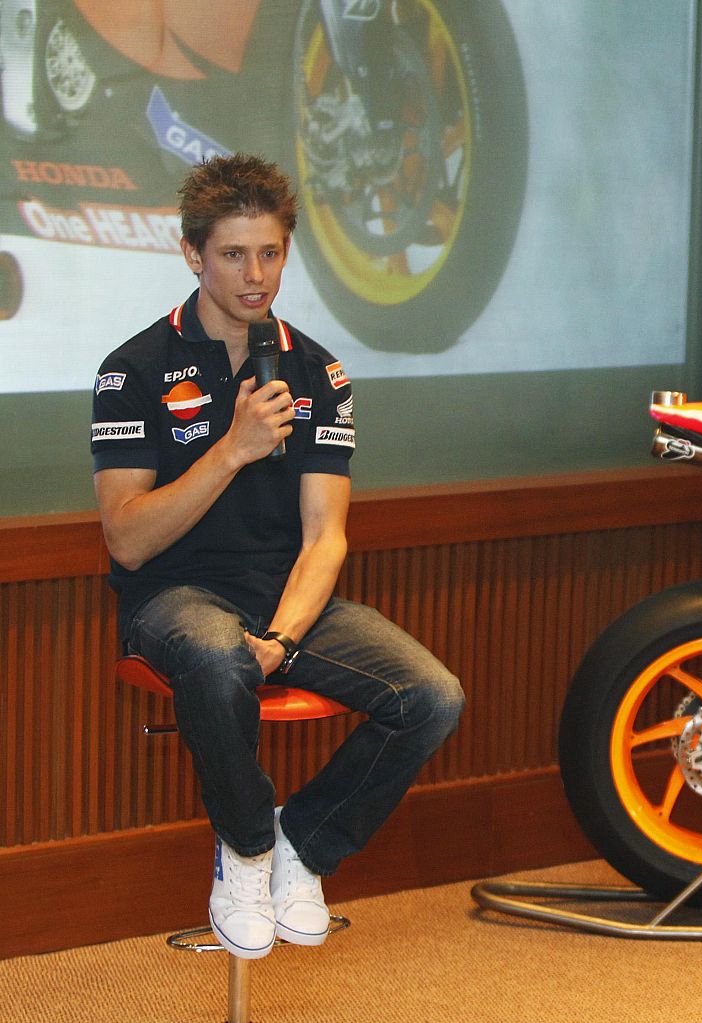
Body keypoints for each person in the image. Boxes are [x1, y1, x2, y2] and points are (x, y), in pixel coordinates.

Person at [90, 154, 465, 959]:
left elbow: (326, 533)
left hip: (288, 597)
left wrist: (288, 637)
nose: (256, 275)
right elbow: (125, 536)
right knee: (217, 656)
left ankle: (304, 843)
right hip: (176, 595)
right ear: (193, 254)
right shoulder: (133, 369)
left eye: (271, 253)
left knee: (432, 695)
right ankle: (248, 849)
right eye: (233, 255)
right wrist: (231, 449)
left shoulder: (318, 370)